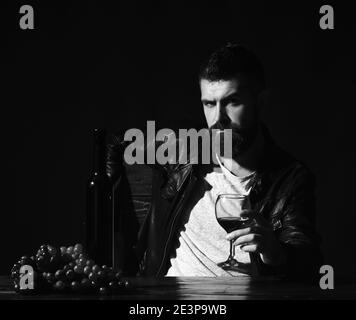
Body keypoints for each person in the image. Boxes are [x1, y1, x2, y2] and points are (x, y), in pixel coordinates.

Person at [107, 43, 323, 280]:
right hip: (170, 297)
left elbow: (307, 260)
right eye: (209, 104)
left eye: (232, 102)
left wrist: (275, 253)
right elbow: (117, 144)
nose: (219, 118)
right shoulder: (182, 149)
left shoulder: (290, 178)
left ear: (260, 103)